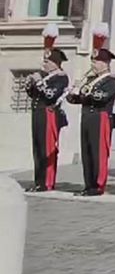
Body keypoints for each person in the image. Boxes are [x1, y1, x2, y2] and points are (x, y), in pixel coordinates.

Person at [66, 26, 115, 196]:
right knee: (87, 151)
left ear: (105, 63)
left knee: (98, 152)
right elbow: (76, 99)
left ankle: (98, 185)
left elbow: (101, 97)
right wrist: (74, 92)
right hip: (87, 117)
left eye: (96, 61)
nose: (93, 64)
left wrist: (84, 93)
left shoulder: (111, 80)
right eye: (92, 61)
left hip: (101, 117)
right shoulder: (89, 79)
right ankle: (88, 183)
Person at [27, 24, 70, 192]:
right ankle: (38, 181)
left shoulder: (61, 77)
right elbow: (35, 95)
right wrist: (30, 84)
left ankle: (47, 181)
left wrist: (38, 82)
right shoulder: (45, 76)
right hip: (38, 113)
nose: (44, 63)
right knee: (37, 147)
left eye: (47, 61)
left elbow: (51, 95)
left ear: (55, 63)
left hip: (49, 114)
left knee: (47, 148)